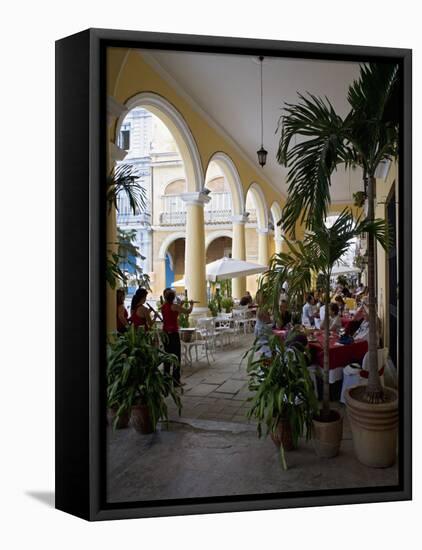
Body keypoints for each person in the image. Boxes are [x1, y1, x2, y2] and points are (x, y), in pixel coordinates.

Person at [161, 289, 193, 384]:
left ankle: (166, 379)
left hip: (165, 333)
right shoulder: (174, 306)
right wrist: (191, 304)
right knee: (176, 356)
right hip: (173, 334)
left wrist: (180, 305)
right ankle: (176, 380)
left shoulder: (163, 306)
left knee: (167, 356)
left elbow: (173, 314)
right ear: (173, 297)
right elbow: (188, 312)